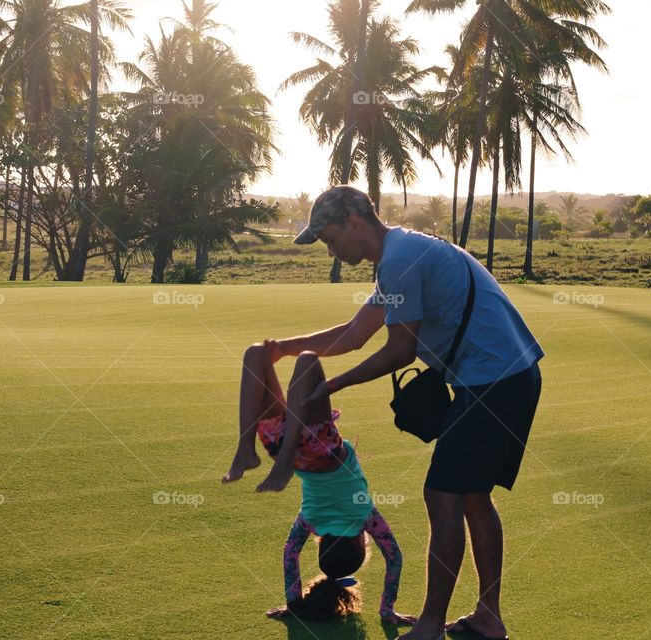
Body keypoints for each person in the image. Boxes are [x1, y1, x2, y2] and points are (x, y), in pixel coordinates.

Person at [254, 185, 544, 640]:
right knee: (470, 495)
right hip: (503, 377)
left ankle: (431, 625)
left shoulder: (398, 259)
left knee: (442, 494)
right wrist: (284, 350)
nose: (331, 250)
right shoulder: (400, 255)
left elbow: (400, 351)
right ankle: (488, 616)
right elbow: (354, 334)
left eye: (330, 239)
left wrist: (330, 385)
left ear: (354, 221)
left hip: (494, 381)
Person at [223, 344, 417, 625]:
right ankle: (249, 448)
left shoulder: (365, 517)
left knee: (308, 359)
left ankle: (245, 449)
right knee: (255, 356)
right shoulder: (310, 520)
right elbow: (290, 555)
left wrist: (389, 609)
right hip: (279, 445)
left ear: (362, 543)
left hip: (319, 447)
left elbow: (395, 560)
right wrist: (293, 603)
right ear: (321, 544)